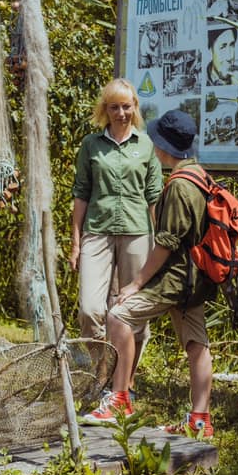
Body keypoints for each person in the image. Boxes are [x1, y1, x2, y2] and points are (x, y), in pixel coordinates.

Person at [83, 109, 218, 439]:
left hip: (176, 279)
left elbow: (166, 245)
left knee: (118, 316)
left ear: (162, 147)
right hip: (199, 276)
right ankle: (200, 421)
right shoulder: (201, 176)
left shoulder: (179, 187)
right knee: (197, 344)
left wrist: (136, 283)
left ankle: (120, 400)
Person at [70, 79, 161, 423]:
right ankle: (101, 378)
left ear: (135, 107)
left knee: (132, 311)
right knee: (91, 309)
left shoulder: (146, 146)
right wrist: (76, 241)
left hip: (138, 232)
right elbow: (81, 193)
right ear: (104, 110)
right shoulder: (91, 145)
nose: (121, 113)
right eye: (114, 107)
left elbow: (154, 197)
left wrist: (162, 246)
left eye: (127, 106)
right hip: (98, 231)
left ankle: (125, 383)